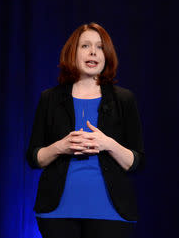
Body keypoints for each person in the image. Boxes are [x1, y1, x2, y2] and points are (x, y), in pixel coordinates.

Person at [26, 23, 144, 238]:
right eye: (85, 46)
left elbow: (136, 161)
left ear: (106, 55)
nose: (93, 52)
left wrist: (107, 144)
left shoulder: (124, 99)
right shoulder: (50, 98)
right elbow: (35, 158)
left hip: (112, 214)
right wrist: (61, 146)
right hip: (57, 214)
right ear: (73, 52)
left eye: (99, 47)